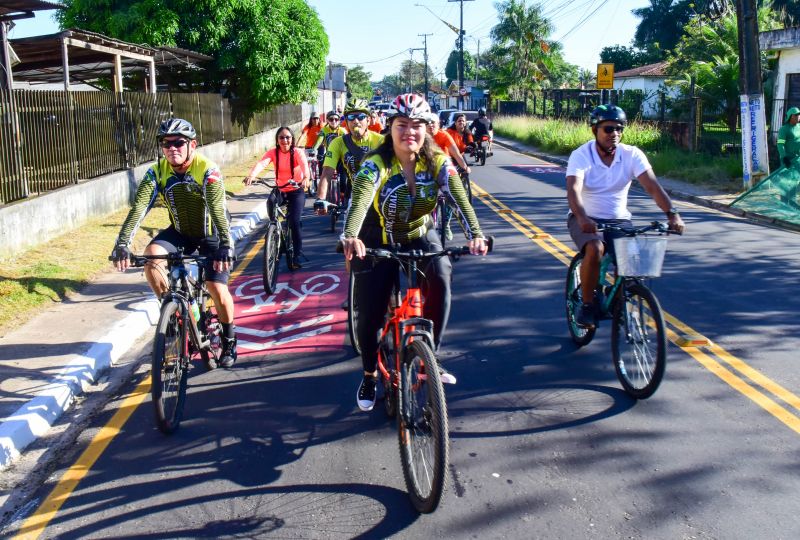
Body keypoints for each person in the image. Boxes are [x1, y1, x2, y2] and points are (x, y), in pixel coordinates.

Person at [341, 93, 488, 412]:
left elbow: (459, 198)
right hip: (375, 238)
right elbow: (361, 198)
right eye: (401, 124)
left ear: (426, 129)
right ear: (389, 128)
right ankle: (369, 374)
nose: (409, 131)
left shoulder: (436, 161)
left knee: (442, 275)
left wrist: (475, 234)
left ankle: (429, 357)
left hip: (420, 233)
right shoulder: (376, 162)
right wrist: (351, 235)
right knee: (370, 313)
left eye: (417, 125)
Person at [111, 118, 239, 368]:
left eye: (178, 142)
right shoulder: (157, 171)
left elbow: (217, 210)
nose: (172, 148)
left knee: (217, 289)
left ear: (193, 144)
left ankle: (229, 339)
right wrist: (122, 243)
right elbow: (139, 208)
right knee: (151, 257)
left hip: (212, 234)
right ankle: (173, 316)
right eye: (165, 143)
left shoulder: (207, 170)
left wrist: (226, 244)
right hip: (180, 232)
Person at [566, 104, 685, 328]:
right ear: (595, 130)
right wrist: (582, 218)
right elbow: (573, 190)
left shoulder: (631, 155)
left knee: (631, 265)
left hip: (619, 219)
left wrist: (672, 214)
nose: (615, 134)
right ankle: (588, 305)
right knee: (595, 249)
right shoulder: (581, 155)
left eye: (619, 129)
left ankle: (619, 297)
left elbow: (653, 187)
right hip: (585, 218)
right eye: (609, 129)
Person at [244, 127, 310, 270]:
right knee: (271, 202)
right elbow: (262, 163)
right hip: (281, 189)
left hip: (296, 190)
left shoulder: (297, 152)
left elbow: (305, 165)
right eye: (281, 137)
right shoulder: (273, 153)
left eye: (288, 137)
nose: (285, 140)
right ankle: (275, 230)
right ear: (277, 140)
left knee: (294, 221)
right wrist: (252, 175)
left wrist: (306, 178)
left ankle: (297, 254)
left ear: (292, 139)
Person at [314, 97, 384, 215]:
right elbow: (326, 174)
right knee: (350, 232)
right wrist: (320, 199)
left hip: (381, 196)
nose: (356, 121)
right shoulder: (338, 143)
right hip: (356, 195)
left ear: (368, 120)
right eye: (351, 117)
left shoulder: (381, 141)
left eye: (361, 117)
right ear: (346, 122)